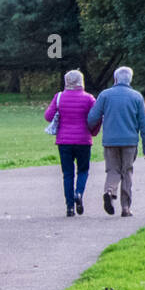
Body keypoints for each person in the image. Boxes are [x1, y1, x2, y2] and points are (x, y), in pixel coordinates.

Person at [87, 66, 145, 217]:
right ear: (130, 80)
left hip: (110, 141)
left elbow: (92, 118)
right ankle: (126, 208)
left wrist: (91, 129)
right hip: (130, 142)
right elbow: (144, 124)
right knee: (127, 171)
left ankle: (109, 191)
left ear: (115, 79)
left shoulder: (105, 95)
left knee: (113, 169)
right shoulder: (136, 97)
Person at [44, 70, 99, 217]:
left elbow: (48, 117)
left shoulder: (59, 97)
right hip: (83, 140)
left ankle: (69, 207)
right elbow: (96, 116)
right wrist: (93, 131)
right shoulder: (89, 98)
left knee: (67, 174)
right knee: (83, 170)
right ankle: (79, 193)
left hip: (64, 141)